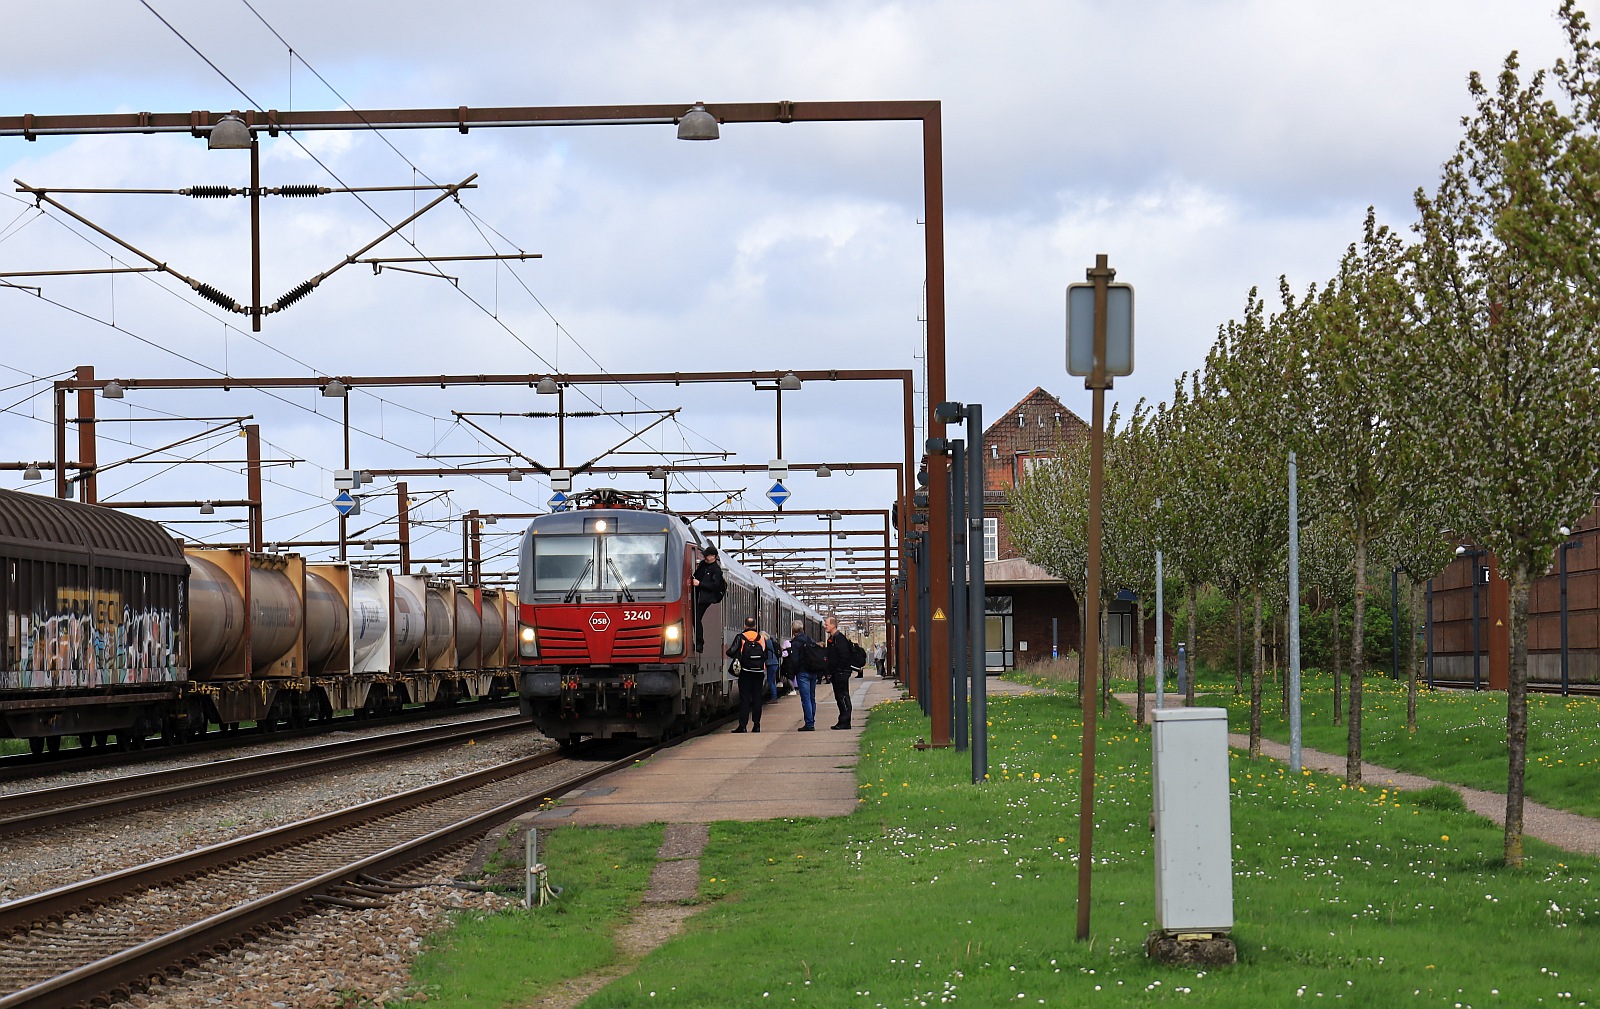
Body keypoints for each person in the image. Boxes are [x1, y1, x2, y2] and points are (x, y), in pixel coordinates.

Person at [725, 616, 767, 733]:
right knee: (757, 698)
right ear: (755, 627)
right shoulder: (761, 638)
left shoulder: (741, 637)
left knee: (745, 698)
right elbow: (766, 655)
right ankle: (757, 725)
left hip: (745, 672)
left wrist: (739, 656)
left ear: (744, 626)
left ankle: (742, 726)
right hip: (759, 672)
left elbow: (730, 652)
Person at [784, 619, 820, 731]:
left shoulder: (795, 643)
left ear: (792, 630)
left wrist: (792, 673)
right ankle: (811, 720)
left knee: (806, 699)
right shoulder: (810, 640)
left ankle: (809, 723)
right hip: (813, 671)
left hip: (802, 672)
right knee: (812, 697)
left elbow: (794, 660)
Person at [691, 546, 725, 653]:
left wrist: (700, 584)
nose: (705, 557)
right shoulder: (702, 565)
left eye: (707, 555)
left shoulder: (716, 570)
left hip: (705, 598)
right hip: (697, 595)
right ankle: (695, 641)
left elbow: (715, 585)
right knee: (693, 618)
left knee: (696, 618)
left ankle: (699, 643)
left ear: (713, 557)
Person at [823, 615, 854, 730]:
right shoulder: (832, 639)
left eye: (826, 624)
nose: (825, 626)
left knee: (843, 696)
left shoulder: (839, 639)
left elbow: (843, 656)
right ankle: (842, 720)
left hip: (841, 673)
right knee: (839, 697)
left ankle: (845, 721)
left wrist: (839, 670)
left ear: (833, 625)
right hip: (837, 673)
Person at [764, 631, 782, 701]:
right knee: (772, 680)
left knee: (770, 681)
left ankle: (774, 698)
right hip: (774, 663)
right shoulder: (771, 642)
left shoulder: (767, 643)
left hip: (771, 663)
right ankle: (774, 696)